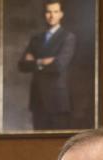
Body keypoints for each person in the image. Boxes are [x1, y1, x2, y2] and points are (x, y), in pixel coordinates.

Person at [18, 1, 76, 130]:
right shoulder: (36, 39)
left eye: (55, 12)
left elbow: (58, 65)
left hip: (57, 100)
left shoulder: (67, 37)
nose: (51, 16)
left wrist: (34, 62)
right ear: (44, 15)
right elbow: (22, 65)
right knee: (37, 143)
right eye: (48, 12)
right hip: (37, 99)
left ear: (61, 14)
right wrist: (41, 62)